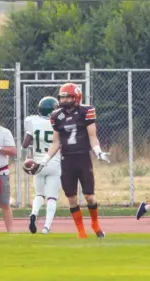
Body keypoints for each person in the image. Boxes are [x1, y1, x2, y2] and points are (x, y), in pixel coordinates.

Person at [36, 83, 110, 239]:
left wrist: (98, 152)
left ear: (76, 97)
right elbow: (56, 142)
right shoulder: (56, 116)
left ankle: (95, 223)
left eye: (68, 96)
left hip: (83, 157)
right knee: (71, 198)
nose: (65, 100)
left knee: (90, 196)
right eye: (62, 97)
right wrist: (45, 160)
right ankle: (81, 231)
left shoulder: (86, 111)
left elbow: (92, 137)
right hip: (67, 159)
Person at [22, 96, 61, 234]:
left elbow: (25, 144)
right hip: (53, 162)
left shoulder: (32, 121)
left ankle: (34, 213)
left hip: (37, 163)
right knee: (52, 197)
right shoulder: (59, 122)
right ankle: (46, 227)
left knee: (39, 194)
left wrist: (26, 158)